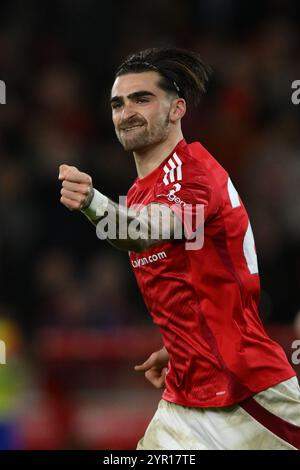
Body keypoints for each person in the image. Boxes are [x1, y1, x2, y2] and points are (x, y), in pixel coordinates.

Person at [58, 47, 300, 450]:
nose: (126, 111)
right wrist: (181, 344)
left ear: (177, 110)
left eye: (142, 98)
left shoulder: (194, 173)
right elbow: (193, 277)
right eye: (117, 103)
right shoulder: (139, 192)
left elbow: (143, 232)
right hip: (185, 397)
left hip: (246, 391)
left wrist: (91, 202)